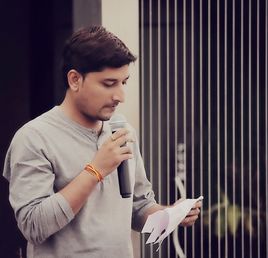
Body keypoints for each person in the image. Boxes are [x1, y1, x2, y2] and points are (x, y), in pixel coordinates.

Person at [3, 25, 201, 258]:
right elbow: (33, 227)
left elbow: (137, 209)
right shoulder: (34, 138)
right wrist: (95, 170)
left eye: (123, 82)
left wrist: (170, 214)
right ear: (75, 80)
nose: (120, 96)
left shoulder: (122, 131)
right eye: (109, 84)